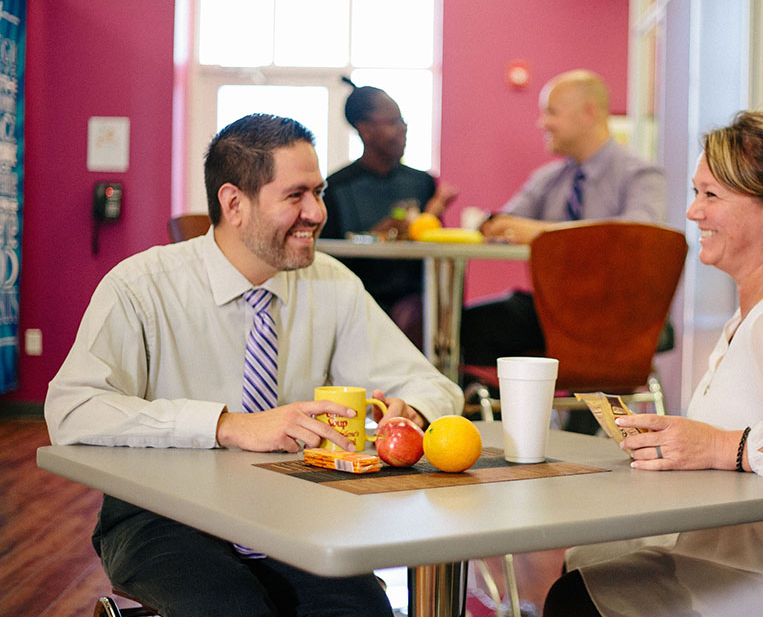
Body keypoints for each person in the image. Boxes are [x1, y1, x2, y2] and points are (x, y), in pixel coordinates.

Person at [45, 113, 463, 617]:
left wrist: (409, 409)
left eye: (319, 192)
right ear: (234, 203)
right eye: (295, 196)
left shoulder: (332, 283)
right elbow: (73, 411)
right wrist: (226, 426)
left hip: (291, 510)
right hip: (159, 514)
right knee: (233, 606)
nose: (317, 212)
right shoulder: (140, 286)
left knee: (364, 608)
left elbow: (431, 384)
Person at [542, 109, 763, 617]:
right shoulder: (759, 308)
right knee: (583, 563)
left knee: (574, 598)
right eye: (695, 192)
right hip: (746, 564)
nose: (692, 212)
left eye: (711, 196)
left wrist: (721, 445)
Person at [461, 69, 669, 368]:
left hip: (620, 313)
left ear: (589, 113)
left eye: (551, 112)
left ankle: (591, 413)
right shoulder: (547, 179)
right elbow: (503, 222)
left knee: (595, 349)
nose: (541, 123)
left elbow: (637, 237)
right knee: (457, 331)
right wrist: (495, 223)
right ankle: (495, 405)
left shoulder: (642, 175)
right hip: (553, 309)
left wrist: (539, 232)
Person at [321, 78, 458, 345]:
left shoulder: (422, 182)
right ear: (365, 130)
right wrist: (372, 237)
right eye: (393, 122)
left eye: (403, 121)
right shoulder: (336, 188)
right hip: (358, 297)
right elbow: (332, 253)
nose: (403, 129)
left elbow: (434, 242)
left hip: (415, 302)